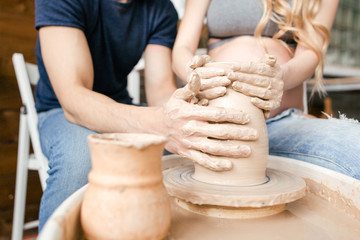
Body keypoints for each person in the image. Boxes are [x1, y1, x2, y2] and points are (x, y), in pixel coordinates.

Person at [35, 0, 266, 231]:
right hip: (63, 110)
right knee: (83, 157)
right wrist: (160, 123)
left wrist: (191, 111)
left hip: (120, 105)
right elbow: (74, 100)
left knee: (194, 149)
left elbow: (160, 94)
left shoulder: (160, 9)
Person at [173, 0, 360, 180]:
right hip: (213, 123)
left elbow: (310, 53)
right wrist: (194, 76)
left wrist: (281, 76)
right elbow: (182, 48)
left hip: (284, 123)